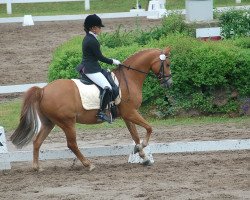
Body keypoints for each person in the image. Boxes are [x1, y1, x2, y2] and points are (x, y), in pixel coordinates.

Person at [77, 14, 121, 123]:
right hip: (91, 69)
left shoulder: (90, 38)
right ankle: (101, 113)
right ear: (93, 28)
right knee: (107, 87)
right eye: (99, 27)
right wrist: (113, 61)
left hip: (91, 67)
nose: (100, 29)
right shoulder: (91, 40)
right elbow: (99, 57)